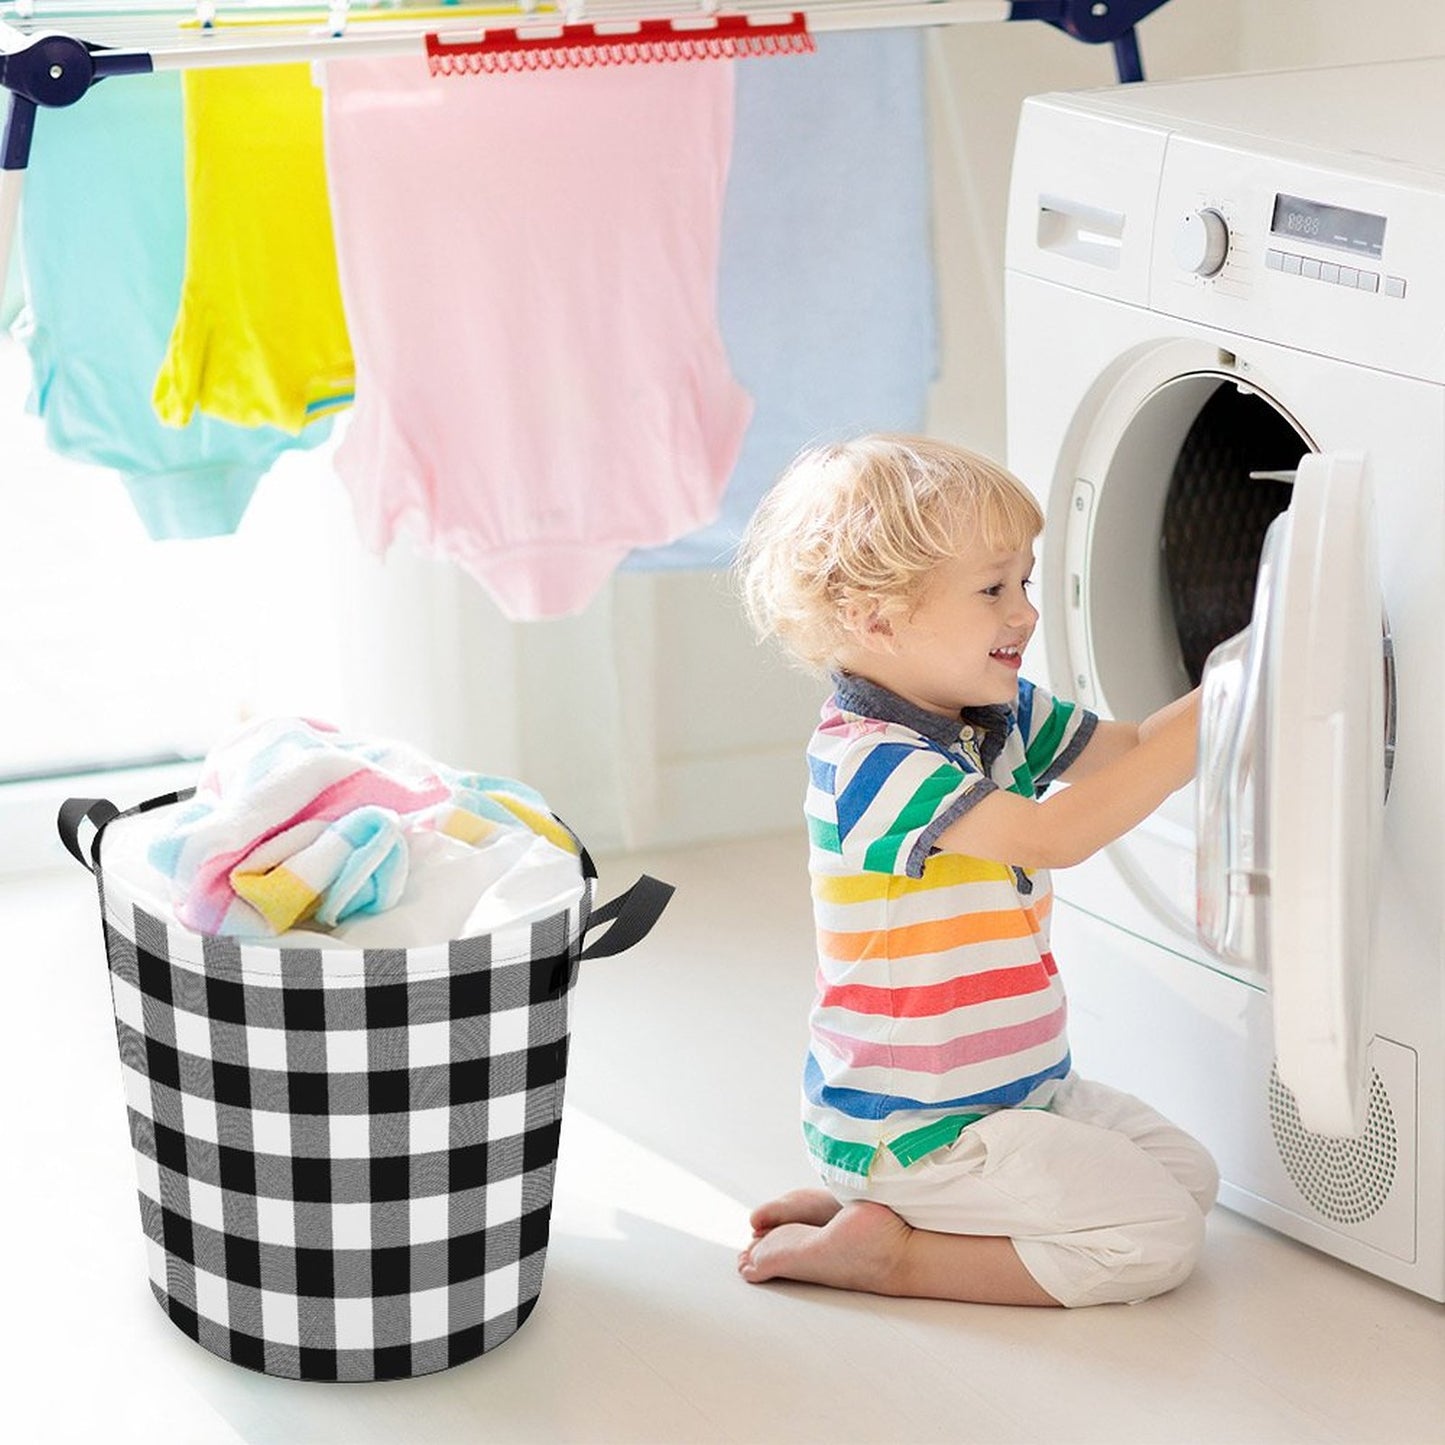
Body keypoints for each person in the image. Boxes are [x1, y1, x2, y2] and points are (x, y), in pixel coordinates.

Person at [733, 433, 1218, 1308]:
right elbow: (1047, 835)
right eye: (993, 588)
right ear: (875, 619)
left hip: (1023, 1089)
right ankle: (889, 1251)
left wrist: (1236, 679)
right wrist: (1218, 711)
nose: (1024, 612)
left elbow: (1129, 752)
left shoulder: (994, 712)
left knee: (1191, 1179)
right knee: (1155, 1239)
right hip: (918, 1122)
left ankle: (884, 1209)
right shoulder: (869, 762)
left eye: (1023, 582)